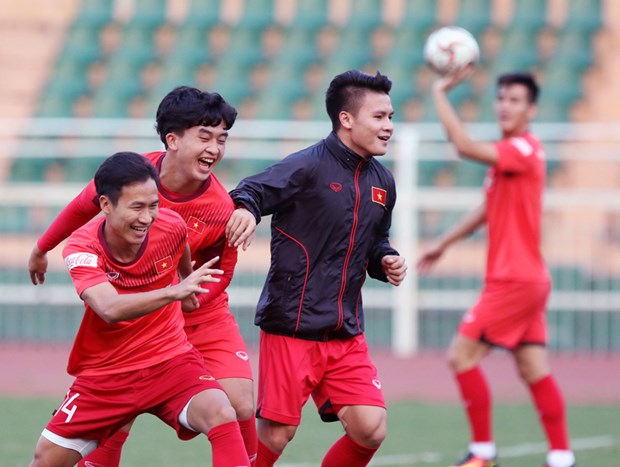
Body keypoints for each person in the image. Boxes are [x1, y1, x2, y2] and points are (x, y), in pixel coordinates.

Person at [28, 86, 257, 465]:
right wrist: (42, 248)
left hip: (197, 313)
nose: (215, 148)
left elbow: (219, 268)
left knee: (237, 405)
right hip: (135, 319)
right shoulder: (126, 179)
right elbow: (80, 209)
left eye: (222, 139)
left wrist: (190, 296)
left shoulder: (219, 207)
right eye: (205, 137)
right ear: (172, 139)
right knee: (110, 424)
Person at [225, 69, 408, 467]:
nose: (389, 126)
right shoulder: (307, 166)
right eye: (379, 117)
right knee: (277, 435)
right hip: (292, 327)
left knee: (370, 427)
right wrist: (246, 209)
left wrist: (385, 259)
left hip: (344, 331)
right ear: (347, 119)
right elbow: (253, 189)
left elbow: (376, 240)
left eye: (391, 117)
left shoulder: (383, 181)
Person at [417, 69, 575, 467]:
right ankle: (562, 457)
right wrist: (444, 242)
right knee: (533, 368)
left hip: (514, 280)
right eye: (501, 97)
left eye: (515, 100)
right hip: (527, 278)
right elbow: (488, 207)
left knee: (460, 356)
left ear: (532, 110)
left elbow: (463, 145)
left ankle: (482, 453)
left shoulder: (522, 149)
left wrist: (440, 93)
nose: (505, 105)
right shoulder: (511, 156)